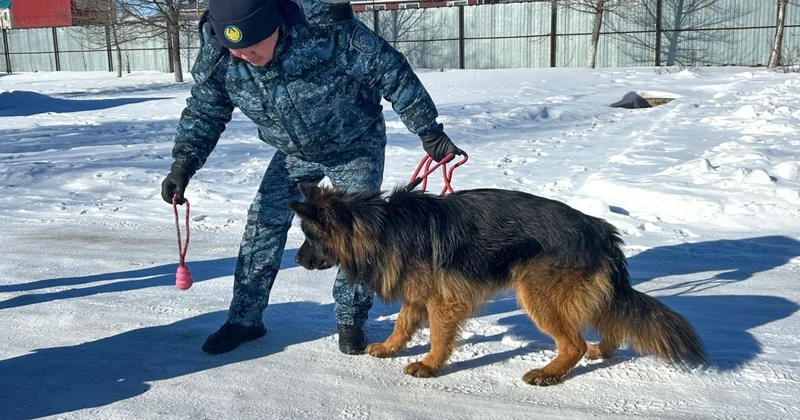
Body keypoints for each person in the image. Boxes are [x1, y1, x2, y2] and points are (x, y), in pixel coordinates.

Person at [160, 0, 463, 355]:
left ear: (273, 26)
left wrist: (427, 130)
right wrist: (183, 164)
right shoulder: (221, 58)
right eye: (235, 49)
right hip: (293, 154)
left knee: (359, 238)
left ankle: (350, 321)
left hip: (354, 144)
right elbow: (205, 110)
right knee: (262, 225)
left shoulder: (325, 31)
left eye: (252, 46)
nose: (244, 56)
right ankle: (245, 320)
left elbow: (389, 70)